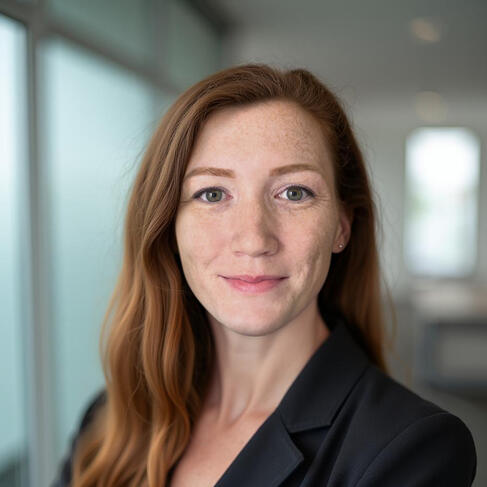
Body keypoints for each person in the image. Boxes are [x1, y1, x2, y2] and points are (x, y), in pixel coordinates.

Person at [52, 64, 477, 487]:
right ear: (168, 225)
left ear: (342, 225)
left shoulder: (410, 449)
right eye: (212, 194)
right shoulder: (108, 422)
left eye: (294, 192)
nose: (254, 239)